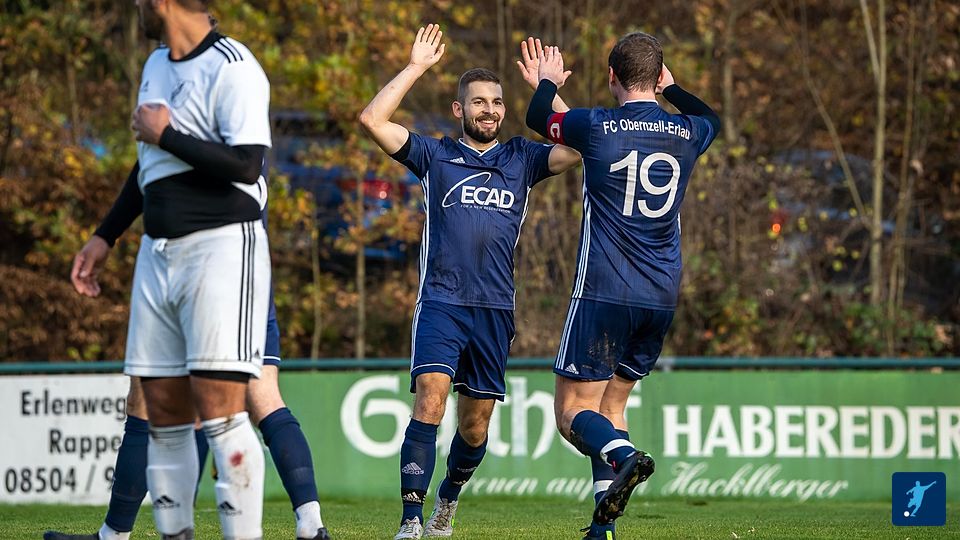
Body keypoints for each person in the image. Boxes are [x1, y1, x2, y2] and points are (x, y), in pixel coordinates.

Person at [57, 1, 286, 538]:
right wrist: (105, 234)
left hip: (221, 250)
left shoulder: (234, 66)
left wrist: (168, 135)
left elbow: (247, 164)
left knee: (222, 413)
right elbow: (150, 164)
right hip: (157, 254)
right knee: (162, 414)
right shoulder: (156, 64)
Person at [358, 24, 581, 540]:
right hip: (441, 302)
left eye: (497, 103)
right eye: (479, 102)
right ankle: (410, 521)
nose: (489, 110)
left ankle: (448, 500)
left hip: (494, 310)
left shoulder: (522, 159)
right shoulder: (434, 156)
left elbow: (579, 148)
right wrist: (415, 67)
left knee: (474, 427)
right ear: (459, 109)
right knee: (430, 401)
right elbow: (372, 119)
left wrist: (546, 90)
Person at [525, 33, 720, 540]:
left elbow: (538, 116)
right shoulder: (687, 131)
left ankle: (625, 455)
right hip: (661, 296)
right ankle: (603, 530)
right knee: (611, 408)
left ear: (611, 76)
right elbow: (712, 118)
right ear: (657, 78)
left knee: (572, 413)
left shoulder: (597, 126)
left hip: (605, 290)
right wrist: (673, 91)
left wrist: (546, 82)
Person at [47, 209, 330, 540]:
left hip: (212, 257)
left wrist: (106, 234)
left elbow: (234, 175)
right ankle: (310, 523)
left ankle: (118, 534)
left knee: (218, 404)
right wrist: (105, 235)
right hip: (226, 261)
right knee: (252, 398)